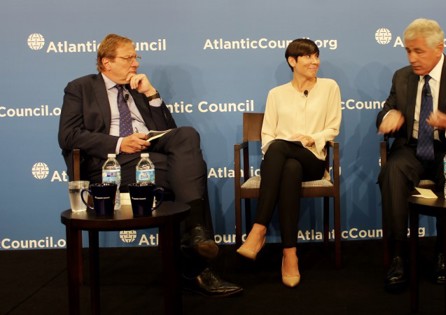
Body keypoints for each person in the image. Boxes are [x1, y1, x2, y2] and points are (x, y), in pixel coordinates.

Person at [58, 33, 242, 297]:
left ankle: (195, 241)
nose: (135, 63)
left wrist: (152, 95)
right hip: (111, 164)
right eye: (128, 57)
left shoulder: (138, 88)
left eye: (136, 57)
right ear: (106, 62)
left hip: (150, 154)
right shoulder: (80, 88)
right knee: (191, 173)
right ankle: (197, 264)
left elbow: (170, 134)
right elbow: (68, 136)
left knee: (187, 136)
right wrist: (120, 143)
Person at [377, 18, 446, 292]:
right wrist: (389, 115)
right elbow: (386, 109)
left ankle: (443, 252)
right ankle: (399, 256)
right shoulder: (402, 76)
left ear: (439, 48)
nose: (411, 58)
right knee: (392, 171)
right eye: (407, 51)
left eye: (418, 51)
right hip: (411, 149)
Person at [236, 38, 342, 288]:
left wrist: (311, 138)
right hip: (283, 163)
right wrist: (282, 147)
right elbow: (267, 136)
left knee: (282, 147)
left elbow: (333, 128)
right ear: (292, 61)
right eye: (308, 57)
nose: (315, 61)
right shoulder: (276, 94)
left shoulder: (329, 87)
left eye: (316, 56)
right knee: (287, 163)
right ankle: (290, 254)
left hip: (313, 159)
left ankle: (258, 229)